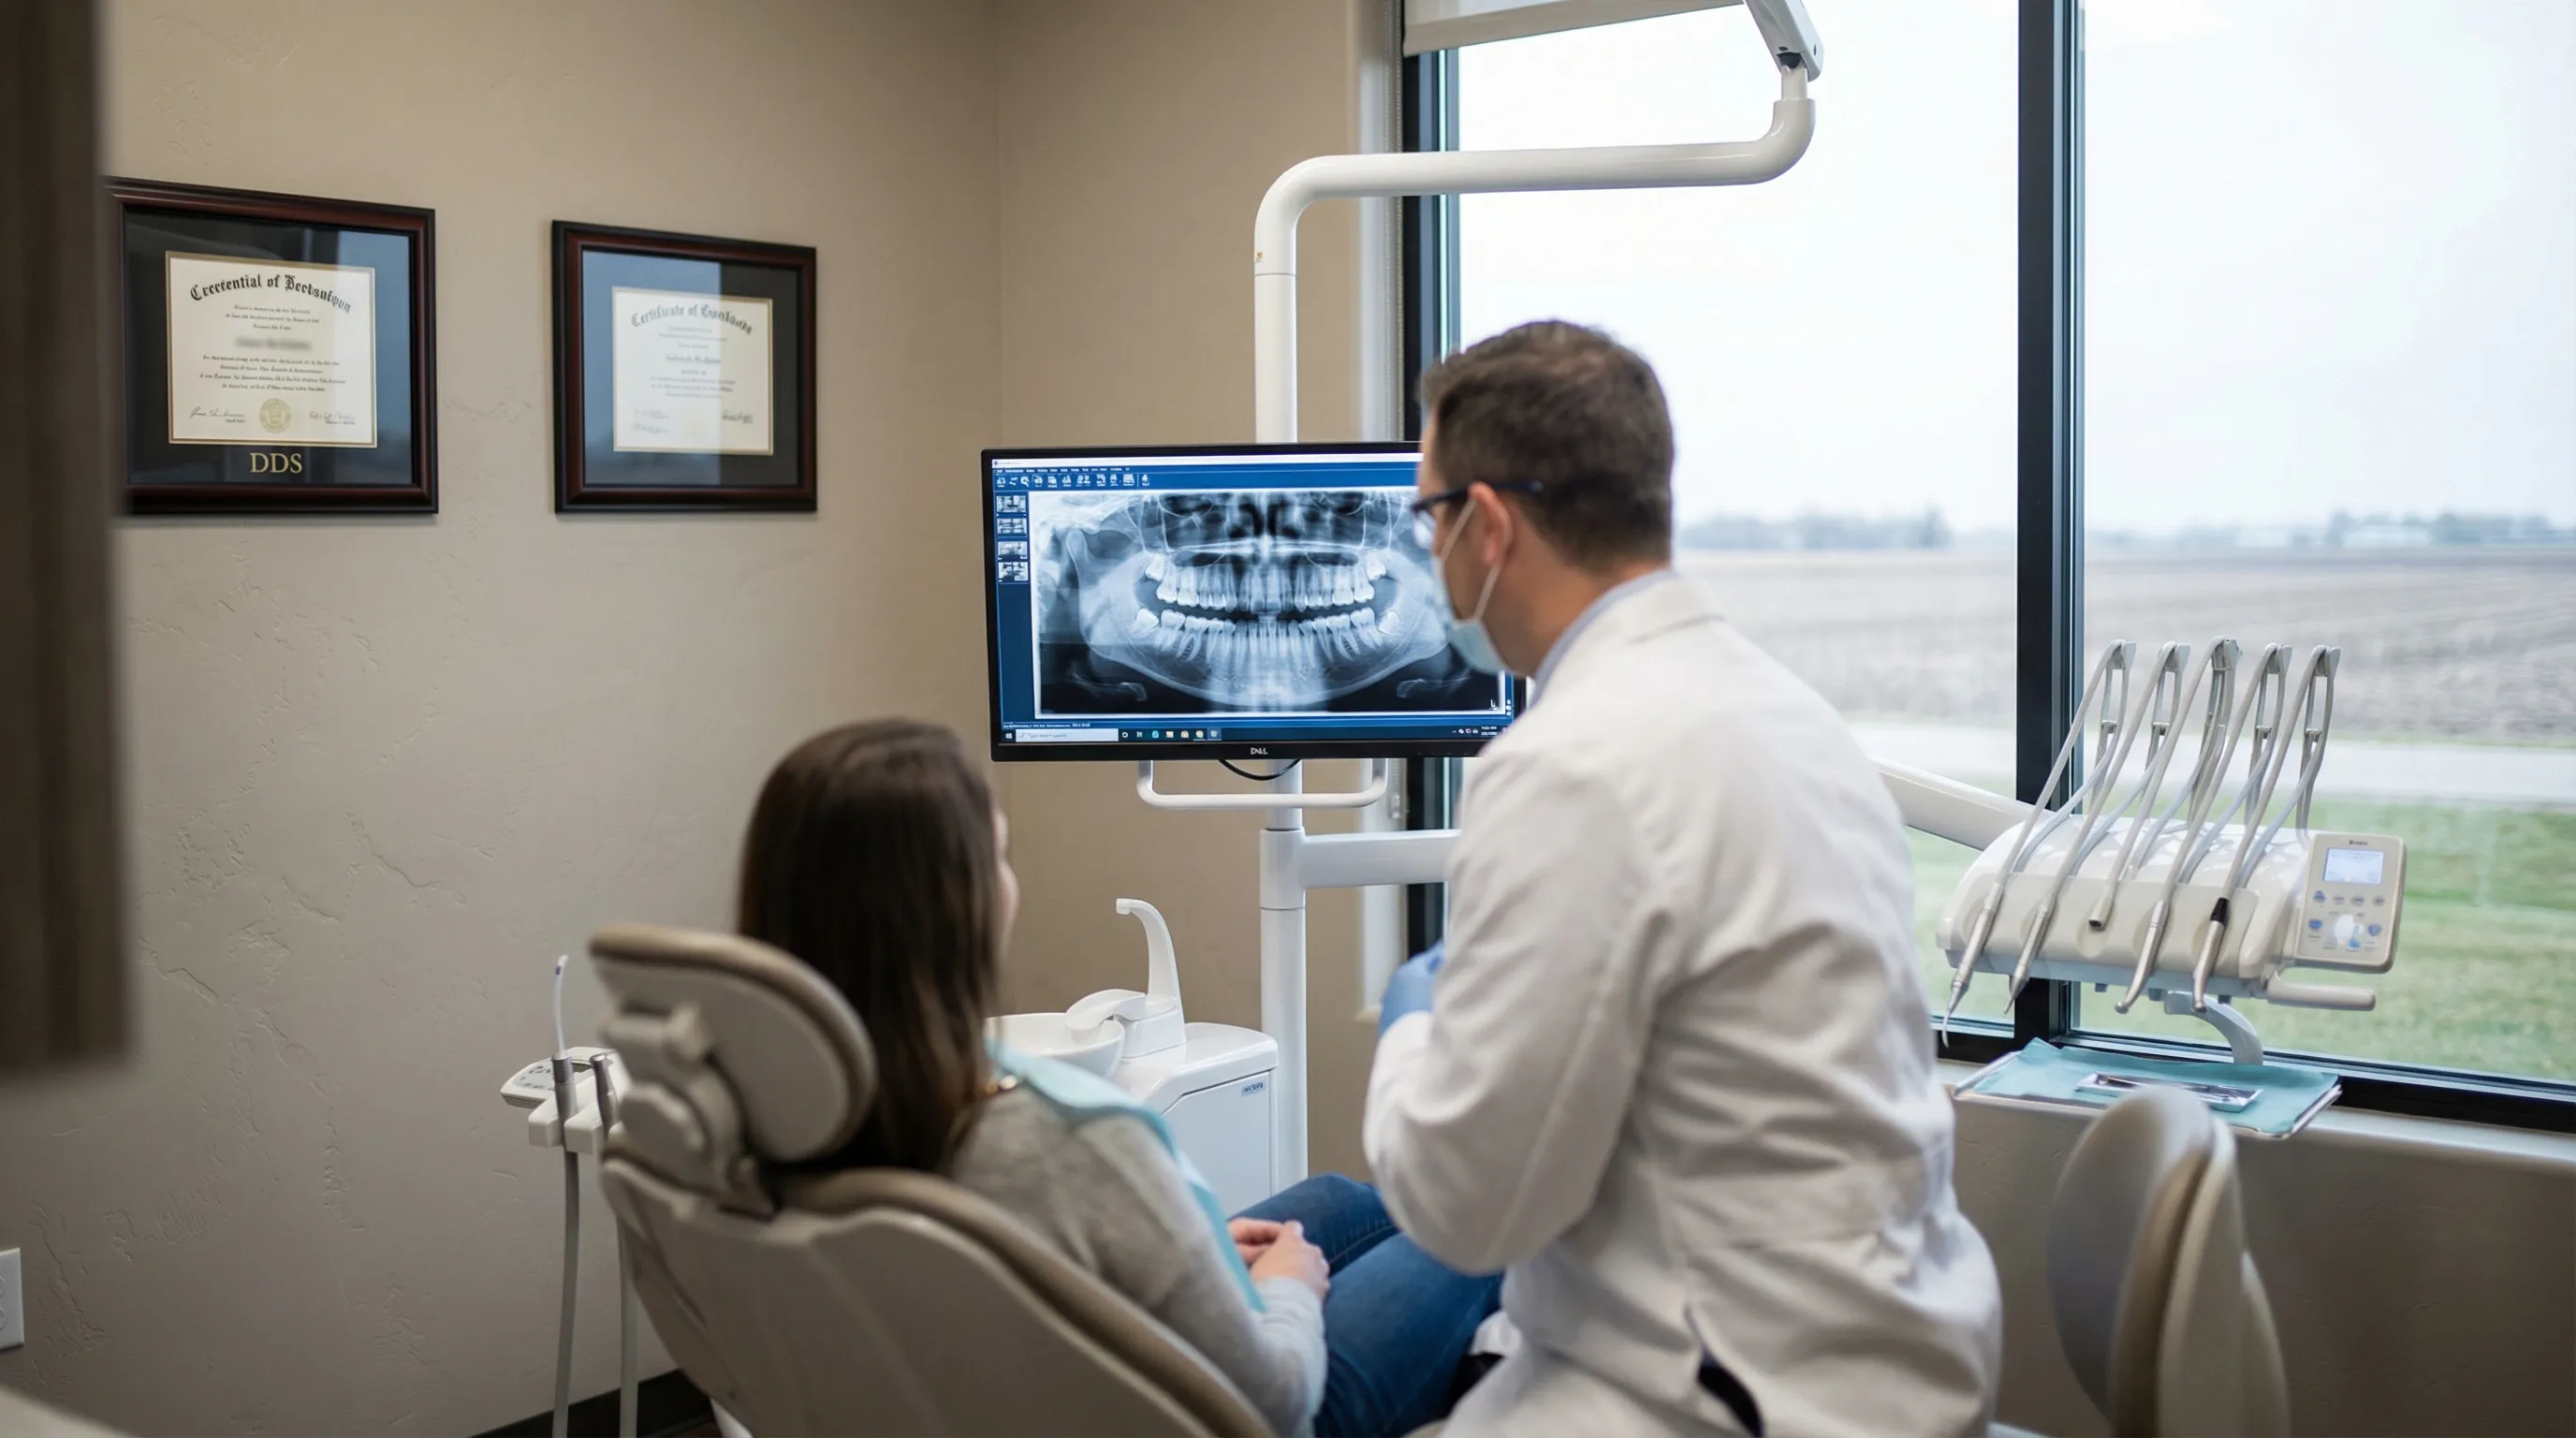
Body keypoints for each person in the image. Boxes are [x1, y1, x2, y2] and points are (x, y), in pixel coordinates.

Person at [1366, 322, 2004, 1435]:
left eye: (1429, 515)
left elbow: (1467, 1212)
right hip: (1874, 1342)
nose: (1430, 551)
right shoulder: (1788, 715)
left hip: (1732, 1391)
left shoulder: (1573, 764)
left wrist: (1411, 1025)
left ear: (1490, 525)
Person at [737, 719, 1500, 1436]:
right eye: (998, 858)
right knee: (1476, 1219)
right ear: (953, 904)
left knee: (1341, 1201)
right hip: (1264, 1411)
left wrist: (1175, 1259)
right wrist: (1289, 1289)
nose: (1011, 883)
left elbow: (989, 1277)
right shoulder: (1065, 1138)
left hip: (1005, 1378)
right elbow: (1271, 1401)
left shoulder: (777, 1120)